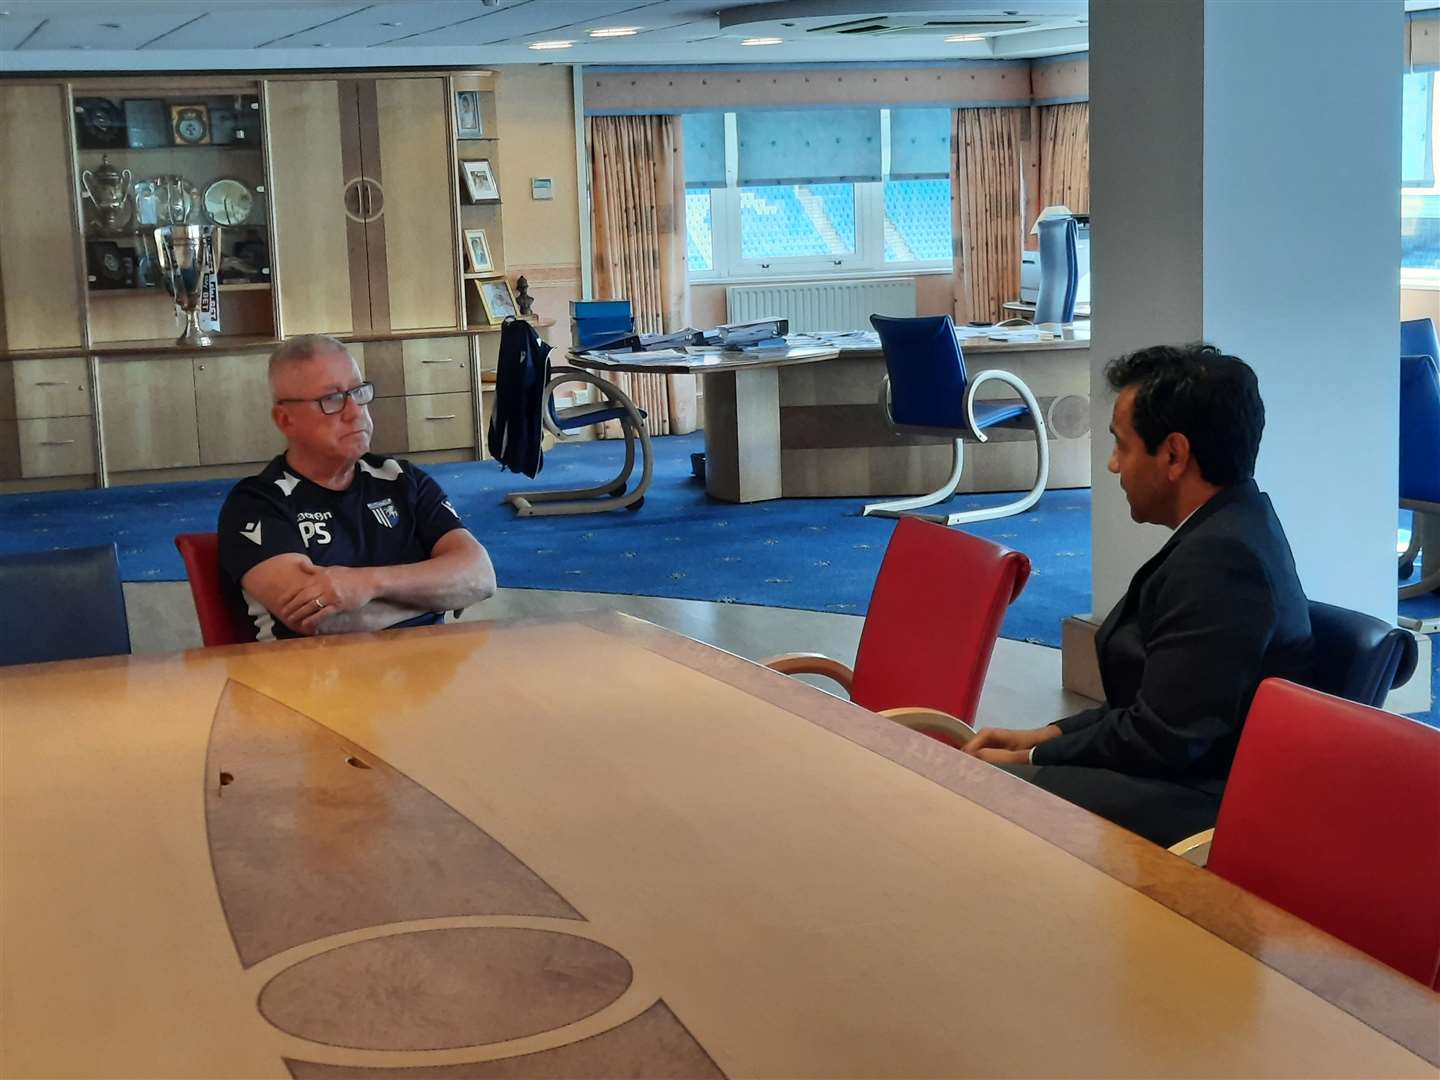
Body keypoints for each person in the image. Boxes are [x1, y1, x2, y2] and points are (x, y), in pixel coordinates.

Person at [963, 343, 1313, 846]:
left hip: (1201, 803)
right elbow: (1154, 708)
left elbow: (1162, 739)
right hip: (1174, 771)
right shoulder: (1234, 524)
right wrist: (1047, 737)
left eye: (1122, 446)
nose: (1112, 466)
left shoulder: (1223, 563)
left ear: (1173, 455)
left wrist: (1031, 759)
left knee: (981, 791)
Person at [217, 335, 495, 641]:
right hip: (315, 677)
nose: (355, 411)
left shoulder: (401, 479)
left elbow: (480, 577)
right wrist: (434, 592)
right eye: (332, 399)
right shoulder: (257, 503)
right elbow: (318, 620)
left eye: (358, 392)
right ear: (286, 420)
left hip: (426, 671)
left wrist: (368, 584)